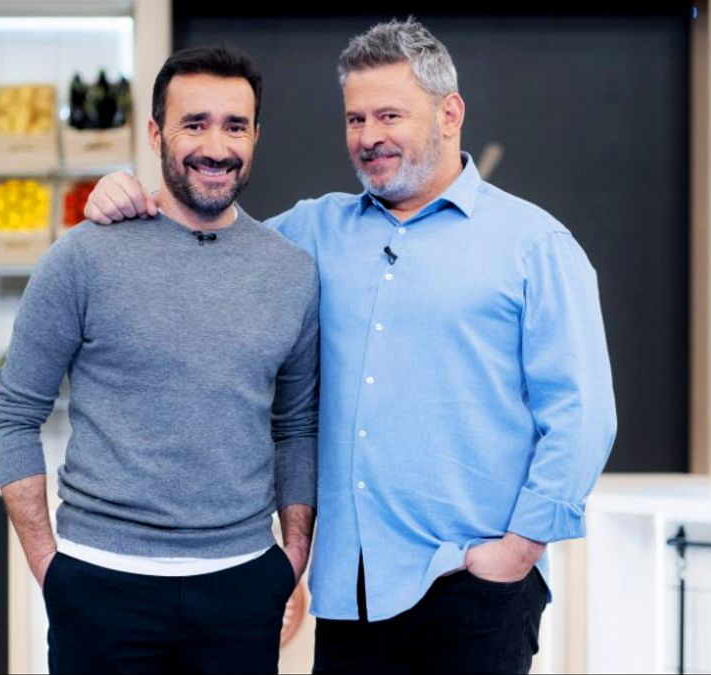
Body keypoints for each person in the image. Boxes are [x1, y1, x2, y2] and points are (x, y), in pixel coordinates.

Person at [85, 19, 617, 675]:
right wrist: (128, 197)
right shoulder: (312, 231)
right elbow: (205, 248)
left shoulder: (534, 245)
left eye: (389, 115)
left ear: (449, 114)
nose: (368, 136)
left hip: (473, 587)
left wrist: (518, 550)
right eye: (355, 119)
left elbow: (582, 415)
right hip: (350, 596)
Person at [0, 44, 320, 674]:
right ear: (154, 133)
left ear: (256, 135)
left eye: (235, 126)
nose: (216, 146)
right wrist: (48, 566)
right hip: (99, 584)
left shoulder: (291, 272)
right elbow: (13, 413)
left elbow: (296, 426)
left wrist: (293, 556)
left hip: (242, 585)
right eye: (194, 124)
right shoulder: (83, 258)